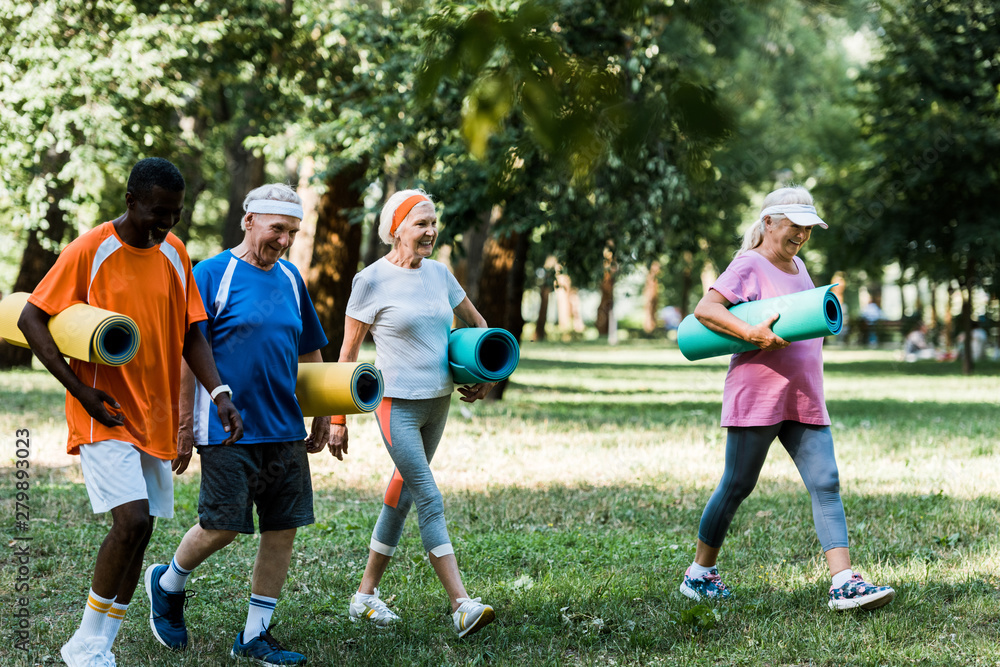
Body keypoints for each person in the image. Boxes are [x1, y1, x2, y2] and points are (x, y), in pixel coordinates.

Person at [18, 158, 242, 667]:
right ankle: (84, 643)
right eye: (156, 214)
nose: (163, 226)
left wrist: (220, 393)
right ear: (130, 201)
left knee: (143, 528)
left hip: (154, 416)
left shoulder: (174, 252)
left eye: (174, 216)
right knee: (130, 520)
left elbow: (191, 330)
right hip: (103, 411)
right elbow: (33, 317)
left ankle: (100, 643)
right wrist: (80, 390)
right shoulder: (90, 249)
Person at [143, 184, 335, 666]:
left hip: (285, 428)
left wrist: (322, 413)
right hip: (226, 429)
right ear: (249, 221)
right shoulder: (210, 274)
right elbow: (190, 353)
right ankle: (167, 583)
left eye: (293, 232)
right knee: (222, 525)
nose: (285, 241)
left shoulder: (291, 279)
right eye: (277, 229)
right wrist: (184, 425)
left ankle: (254, 635)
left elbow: (309, 351)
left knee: (283, 526)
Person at [679, 186, 895, 611]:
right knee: (738, 484)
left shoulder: (799, 267)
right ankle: (699, 574)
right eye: (795, 226)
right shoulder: (748, 263)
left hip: (803, 394)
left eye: (809, 228)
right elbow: (706, 309)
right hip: (759, 392)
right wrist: (750, 333)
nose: (802, 235)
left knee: (826, 482)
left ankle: (844, 583)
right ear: (769, 223)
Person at [332, 189, 497, 638]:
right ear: (396, 229)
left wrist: (481, 372)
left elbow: (477, 324)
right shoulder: (370, 280)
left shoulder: (440, 275)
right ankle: (461, 604)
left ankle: (364, 596)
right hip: (394, 406)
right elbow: (348, 352)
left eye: (433, 222)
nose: (431, 231)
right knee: (428, 495)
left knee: (403, 494)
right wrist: (338, 419)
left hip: (438, 402)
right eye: (421, 223)